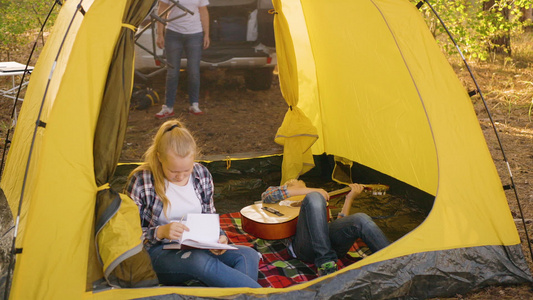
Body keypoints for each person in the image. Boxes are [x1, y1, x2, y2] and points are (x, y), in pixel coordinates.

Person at [125, 119, 261, 288]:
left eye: (186, 170)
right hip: (157, 252)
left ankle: (237, 292)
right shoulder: (141, 180)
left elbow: (209, 216)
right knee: (199, 261)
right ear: (159, 157)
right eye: (173, 171)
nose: (181, 177)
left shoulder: (201, 173)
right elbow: (127, 234)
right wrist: (160, 231)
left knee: (248, 255)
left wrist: (219, 238)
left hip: (198, 246)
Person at [262, 179, 390, 276]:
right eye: (291, 182)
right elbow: (267, 195)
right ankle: (326, 266)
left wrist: (349, 199)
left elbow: (340, 226)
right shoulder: (286, 201)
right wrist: (313, 192)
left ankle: (394, 260)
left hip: (330, 246)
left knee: (360, 218)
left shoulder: (318, 202)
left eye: (299, 181)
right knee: (314, 197)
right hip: (304, 248)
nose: (295, 180)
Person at [155, 0, 210, 118]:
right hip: (173, 33)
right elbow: (161, 10)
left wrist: (206, 34)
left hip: (194, 34)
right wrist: (160, 33)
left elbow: (203, 11)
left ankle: (194, 105)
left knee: (194, 71)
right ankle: (168, 107)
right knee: (172, 72)